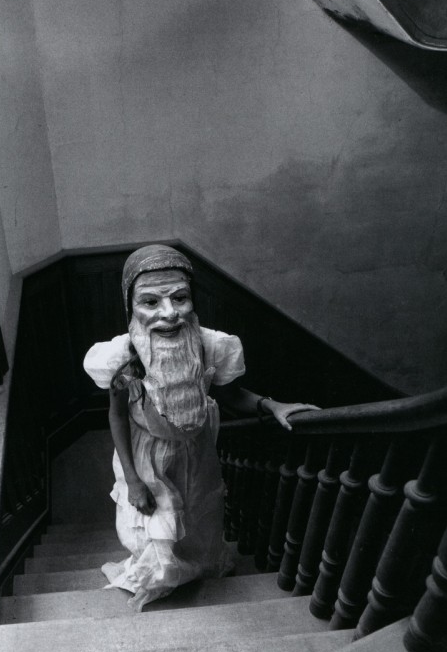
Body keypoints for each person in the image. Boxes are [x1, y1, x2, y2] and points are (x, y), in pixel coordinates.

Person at [83, 245, 318, 611]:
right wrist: (132, 479)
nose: (169, 313)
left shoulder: (211, 345)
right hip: (147, 453)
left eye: (180, 298)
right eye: (150, 302)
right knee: (154, 522)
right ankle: (160, 577)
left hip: (197, 447)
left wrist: (272, 405)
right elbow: (117, 415)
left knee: (196, 511)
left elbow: (232, 394)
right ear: (131, 307)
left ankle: (191, 568)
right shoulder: (120, 357)